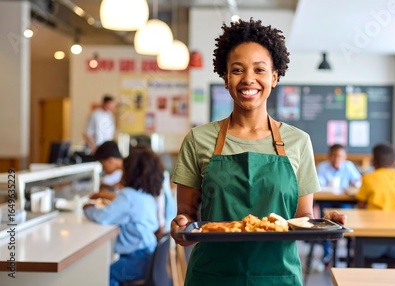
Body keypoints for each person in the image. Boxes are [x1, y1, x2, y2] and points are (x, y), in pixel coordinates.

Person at [170, 18, 346, 286]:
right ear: (226, 79)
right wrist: (181, 225)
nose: (248, 79)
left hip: (278, 276)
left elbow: (303, 218)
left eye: (259, 70)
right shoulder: (198, 139)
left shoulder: (298, 141)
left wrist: (326, 223)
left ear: (274, 77)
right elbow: (186, 213)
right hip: (212, 277)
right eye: (237, 70)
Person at [84, 147, 163, 286]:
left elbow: (103, 217)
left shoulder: (128, 195)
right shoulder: (147, 195)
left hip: (138, 259)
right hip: (150, 255)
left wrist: (88, 209)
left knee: (105, 275)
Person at [91, 141, 176, 235]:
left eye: (103, 165)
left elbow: (156, 199)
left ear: (110, 160)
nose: (103, 169)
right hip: (159, 225)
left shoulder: (137, 171)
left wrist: (161, 224)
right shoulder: (131, 173)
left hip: (162, 225)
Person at [356, 143, 395, 262]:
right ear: (394, 162)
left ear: (373, 162)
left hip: (372, 240)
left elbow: (360, 207)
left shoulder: (368, 178)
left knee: (362, 256)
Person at [316, 144, 361, 265]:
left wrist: (354, 184)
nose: (337, 159)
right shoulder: (322, 167)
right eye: (334, 156)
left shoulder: (349, 166)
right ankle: (327, 253)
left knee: (346, 217)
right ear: (329, 156)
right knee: (324, 221)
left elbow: (358, 181)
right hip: (327, 201)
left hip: (344, 202)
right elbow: (318, 186)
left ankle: (347, 250)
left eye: (340, 156)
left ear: (345, 157)